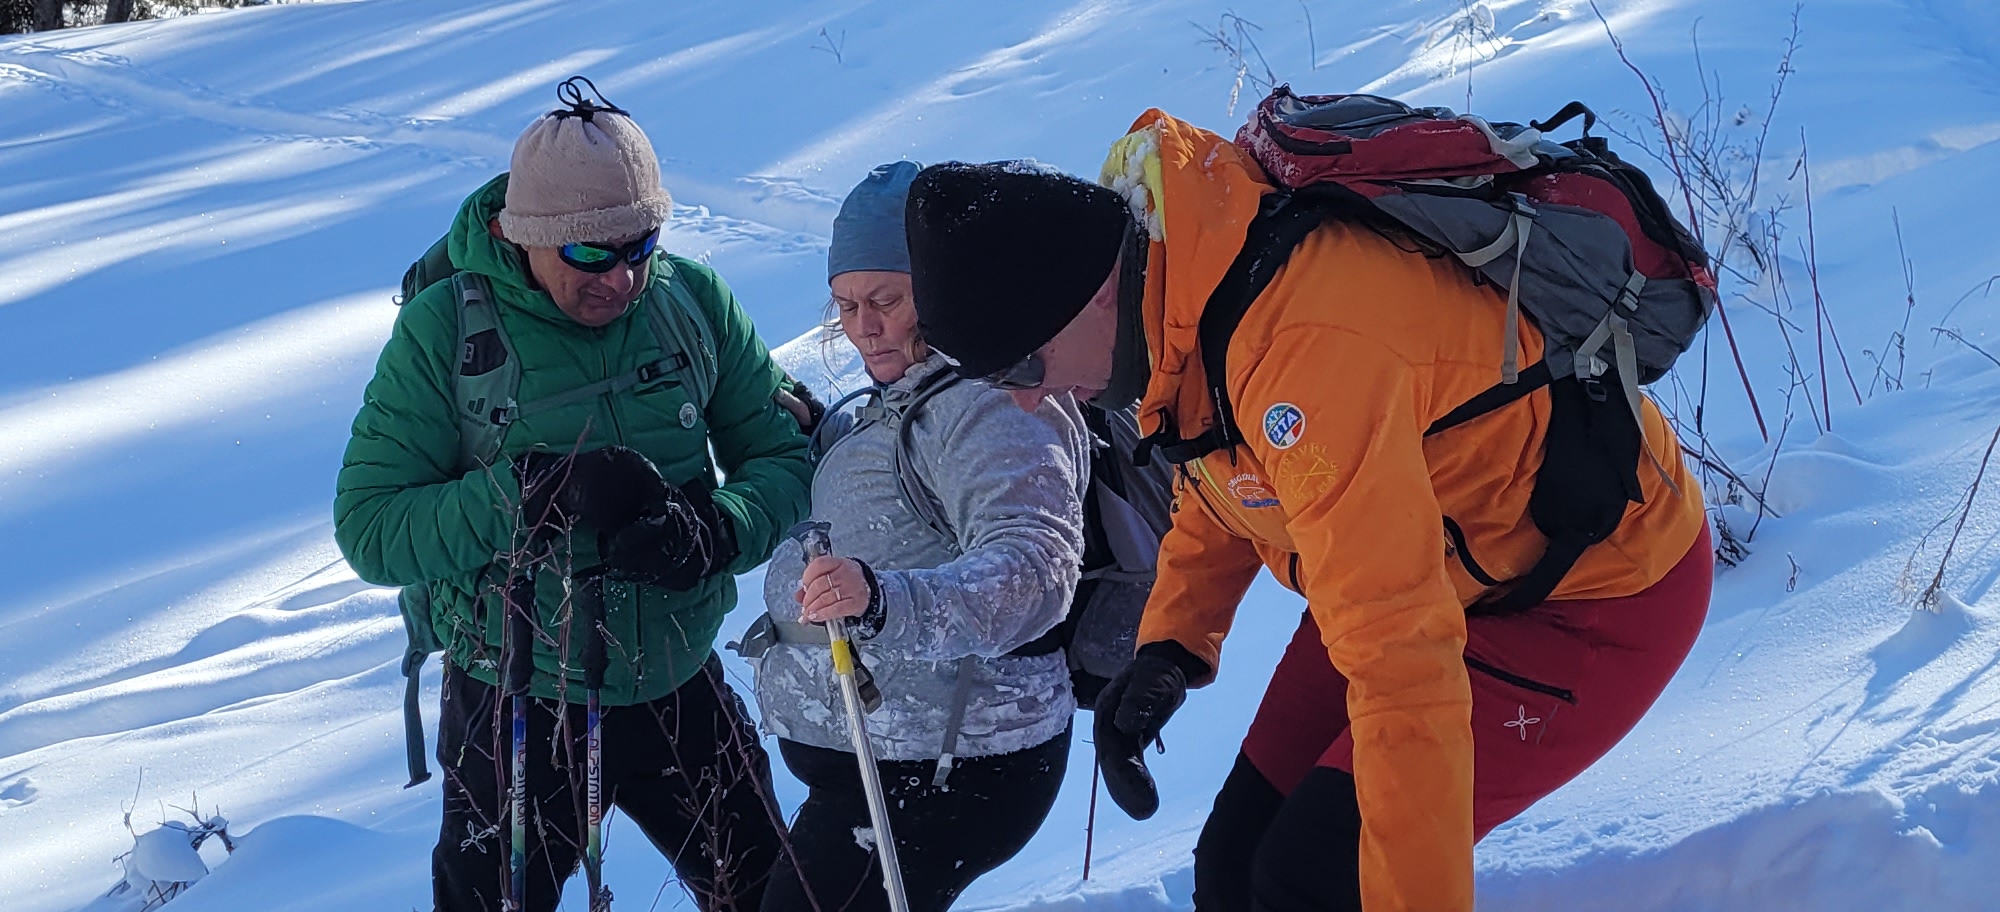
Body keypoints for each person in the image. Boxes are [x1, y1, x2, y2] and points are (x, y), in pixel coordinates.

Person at [899, 118, 1713, 911]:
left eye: (1021, 363)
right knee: (1232, 864)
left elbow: (1402, 670)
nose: (1027, 398)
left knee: (1313, 878)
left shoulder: (1307, 354)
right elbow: (1225, 468)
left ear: (1094, 293)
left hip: (1590, 598)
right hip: (1426, 557)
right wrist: (1173, 644)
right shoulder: (1186, 276)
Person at [334, 81, 811, 912]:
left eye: (641, 245)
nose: (621, 278)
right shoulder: (447, 330)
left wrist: (716, 530)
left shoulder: (692, 301)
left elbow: (785, 456)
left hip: (675, 679)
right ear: (524, 236)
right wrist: (528, 496)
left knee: (772, 898)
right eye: (591, 254)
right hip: (513, 695)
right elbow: (371, 528)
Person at [744, 161, 1090, 912]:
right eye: (845, 305)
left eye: (885, 301)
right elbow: (907, 497)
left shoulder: (993, 404)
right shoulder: (915, 391)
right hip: (895, 762)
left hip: (950, 765)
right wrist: (825, 432)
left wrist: (882, 602)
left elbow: (1036, 566)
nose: (863, 327)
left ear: (940, 287)